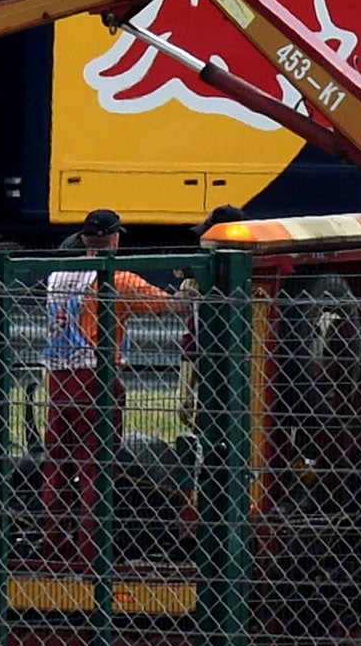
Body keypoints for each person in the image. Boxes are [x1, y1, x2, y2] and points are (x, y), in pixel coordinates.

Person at [41, 208, 183, 567]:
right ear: (116, 239)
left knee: (57, 466)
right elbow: (169, 307)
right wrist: (190, 287)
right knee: (96, 469)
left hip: (58, 379)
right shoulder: (119, 280)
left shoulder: (57, 277)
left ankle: (51, 549)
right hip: (97, 379)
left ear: (84, 240)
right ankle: (91, 554)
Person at [177, 204, 245, 433]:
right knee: (201, 420)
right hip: (207, 354)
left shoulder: (250, 272)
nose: (204, 242)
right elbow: (194, 323)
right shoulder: (198, 276)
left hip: (242, 359)